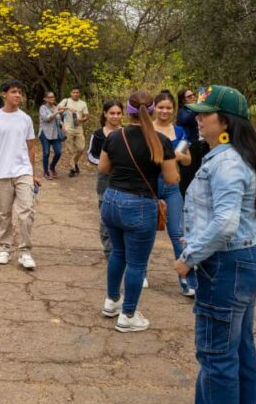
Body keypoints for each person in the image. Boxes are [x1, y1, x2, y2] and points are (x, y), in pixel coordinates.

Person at [174, 85, 256, 404]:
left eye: (205, 114)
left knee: (217, 359)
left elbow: (226, 223)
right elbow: (228, 219)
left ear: (226, 120)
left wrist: (189, 257)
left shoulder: (227, 162)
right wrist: (199, 238)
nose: (198, 120)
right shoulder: (231, 157)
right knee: (240, 355)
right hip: (242, 262)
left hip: (227, 268)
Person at [98, 89, 178, 332]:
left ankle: (111, 302)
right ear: (152, 110)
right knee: (136, 263)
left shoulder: (114, 136)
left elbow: (103, 168)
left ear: (128, 110)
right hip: (140, 204)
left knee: (117, 254)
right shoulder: (160, 141)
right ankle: (128, 315)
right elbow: (172, 178)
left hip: (112, 200)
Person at [0, 79, 40, 269]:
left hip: (23, 172)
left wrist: (33, 173)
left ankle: (25, 251)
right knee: (4, 214)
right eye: (13, 92)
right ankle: (5, 248)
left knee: (26, 211)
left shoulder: (26, 119)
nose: (18, 95)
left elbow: (31, 148)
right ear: (4, 94)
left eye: (20, 92)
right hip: (2, 173)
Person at [153, 90, 197, 297]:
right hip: (149, 187)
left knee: (178, 234)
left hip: (172, 187)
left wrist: (178, 157)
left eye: (168, 108)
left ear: (173, 109)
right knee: (144, 233)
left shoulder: (180, 131)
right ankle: (140, 272)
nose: (164, 111)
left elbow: (188, 160)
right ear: (154, 108)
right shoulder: (146, 130)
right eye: (161, 107)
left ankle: (187, 280)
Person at [88, 99, 123, 261]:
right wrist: (104, 164)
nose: (115, 116)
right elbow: (91, 155)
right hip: (104, 182)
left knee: (122, 215)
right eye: (112, 113)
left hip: (124, 181)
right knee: (105, 217)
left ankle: (121, 249)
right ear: (105, 114)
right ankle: (109, 251)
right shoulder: (98, 134)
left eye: (118, 113)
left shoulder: (127, 133)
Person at [177, 87, 208, 197]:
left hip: (201, 145)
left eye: (193, 95)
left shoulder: (198, 110)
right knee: (187, 174)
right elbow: (187, 119)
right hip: (188, 145)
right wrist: (198, 104)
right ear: (183, 100)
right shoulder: (182, 111)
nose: (193, 97)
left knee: (201, 172)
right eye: (189, 96)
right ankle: (184, 199)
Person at [58, 87, 89, 177]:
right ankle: (72, 168)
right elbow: (58, 108)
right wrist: (67, 108)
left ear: (79, 94)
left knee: (81, 148)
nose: (75, 94)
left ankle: (75, 163)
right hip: (68, 128)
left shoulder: (83, 103)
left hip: (79, 128)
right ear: (71, 93)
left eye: (77, 92)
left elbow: (86, 116)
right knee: (70, 150)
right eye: (74, 92)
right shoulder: (66, 101)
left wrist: (81, 120)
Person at [38, 91, 64, 179]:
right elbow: (47, 118)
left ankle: (52, 167)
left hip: (55, 133)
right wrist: (57, 112)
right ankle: (46, 172)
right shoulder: (43, 108)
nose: (52, 99)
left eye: (53, 97)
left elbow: (58, 119)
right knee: (46, 152)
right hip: (45, 133)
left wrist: (62, 125)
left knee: (58, 152)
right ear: (45, 99)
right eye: (50, 97)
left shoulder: (56, 107)